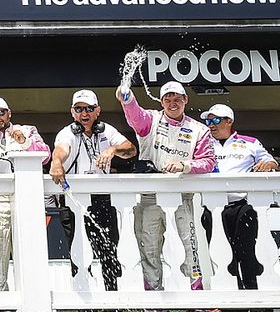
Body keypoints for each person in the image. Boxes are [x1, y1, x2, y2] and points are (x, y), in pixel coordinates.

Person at [118, 80, 215, 291]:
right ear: (161, 101)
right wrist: (127, 98)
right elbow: (135, 114)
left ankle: (195, 297)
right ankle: (154, 298)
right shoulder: (150, 120)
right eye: (168, 99)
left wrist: (185, 165)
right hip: (150, 197)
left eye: (177, 99)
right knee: (149, 247)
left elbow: (208, 161)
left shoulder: (199, 129)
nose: (173, 103)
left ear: (185, 100)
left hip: (182, 196)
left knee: (189, 246)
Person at [50, 90, 137, 291]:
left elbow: (131, 149)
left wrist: (113, 149)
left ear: (97, 111)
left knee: (109, 250)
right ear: (72, 112)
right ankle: (85, 308)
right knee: (78, 253)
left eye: (89, 108)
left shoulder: (107, 131)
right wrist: (56, 162)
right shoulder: (67, 133)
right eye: (79, 109)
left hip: (102, 199)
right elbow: (61, 149)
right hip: (74, 201)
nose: (84, 113)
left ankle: (112, 302)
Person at [0, 98, 49, 291]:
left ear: (9, 113)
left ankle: (32, 301)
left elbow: (45, 155)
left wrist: (24, 142)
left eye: (1, 112)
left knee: (29, 251)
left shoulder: (28, 130)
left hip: (26, 199)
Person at [201, 104, 278, 290]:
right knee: (221, 254)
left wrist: (268, 164)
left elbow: (270, 161)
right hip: (213, 207)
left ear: (229, 121)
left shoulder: (249, 142)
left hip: (243, 206)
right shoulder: (202, 143)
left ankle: (252, 295)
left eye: (216, 120)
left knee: (247, 252)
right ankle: (230, 302)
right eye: (208, 120)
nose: (211, 125)